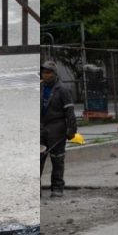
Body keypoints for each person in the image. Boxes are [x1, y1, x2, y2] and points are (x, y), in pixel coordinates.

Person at [40, 60, 77, 198]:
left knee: (57, 159)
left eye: (48, 72)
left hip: (57, 128)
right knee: (39, 158)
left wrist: (71, 129)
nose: (45, 75)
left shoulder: (62, 90)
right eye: (44, 72)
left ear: (54, 74)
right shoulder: (40, 88)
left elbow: (69, 111)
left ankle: (57, 187)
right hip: (42, 128)